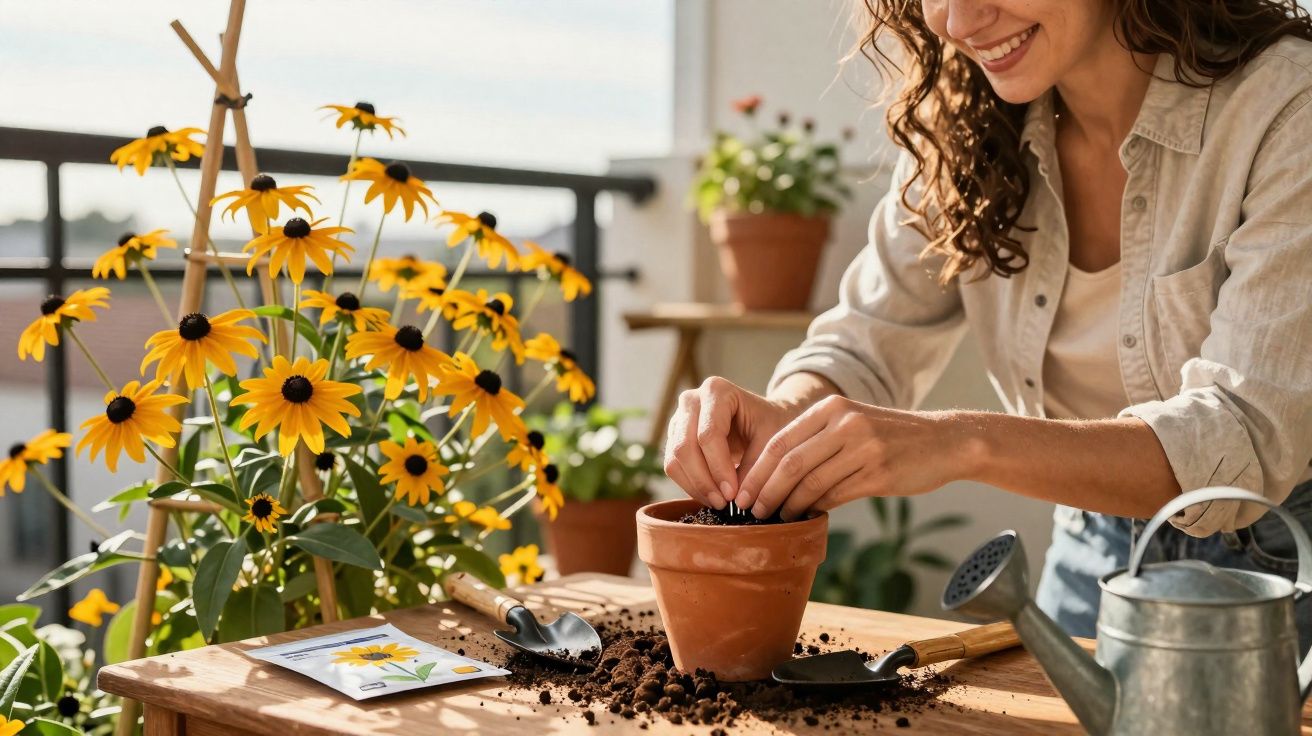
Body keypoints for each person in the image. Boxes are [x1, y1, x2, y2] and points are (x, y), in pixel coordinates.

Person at [663, 0, 1312, 645]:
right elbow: (864, 343)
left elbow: (1241, 437)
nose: (958, 20)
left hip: (1285, 563)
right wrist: (787, 414)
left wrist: (961, 443)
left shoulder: (1285, 106)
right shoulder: (962, 132)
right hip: (1097, 549)